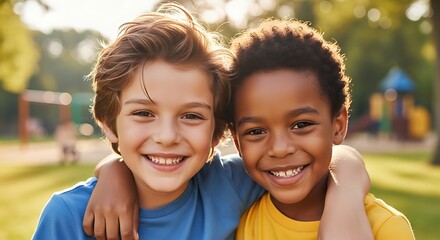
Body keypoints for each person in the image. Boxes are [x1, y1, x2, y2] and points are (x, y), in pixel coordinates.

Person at [33, 3, 370, 240]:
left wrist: (345, 202)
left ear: (217, 132)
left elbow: (336, 156)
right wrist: (114, 168)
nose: (167, 136)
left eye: (191, 116)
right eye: (143, 113)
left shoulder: (228, 186)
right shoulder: (68, 217)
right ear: (108, 122)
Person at [226, 19, 415, 239]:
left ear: (338, 125)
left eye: (301, 125)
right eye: (256, 131)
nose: (279, 149)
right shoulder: (233, 223)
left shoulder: (385, 228)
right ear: (237, 141)